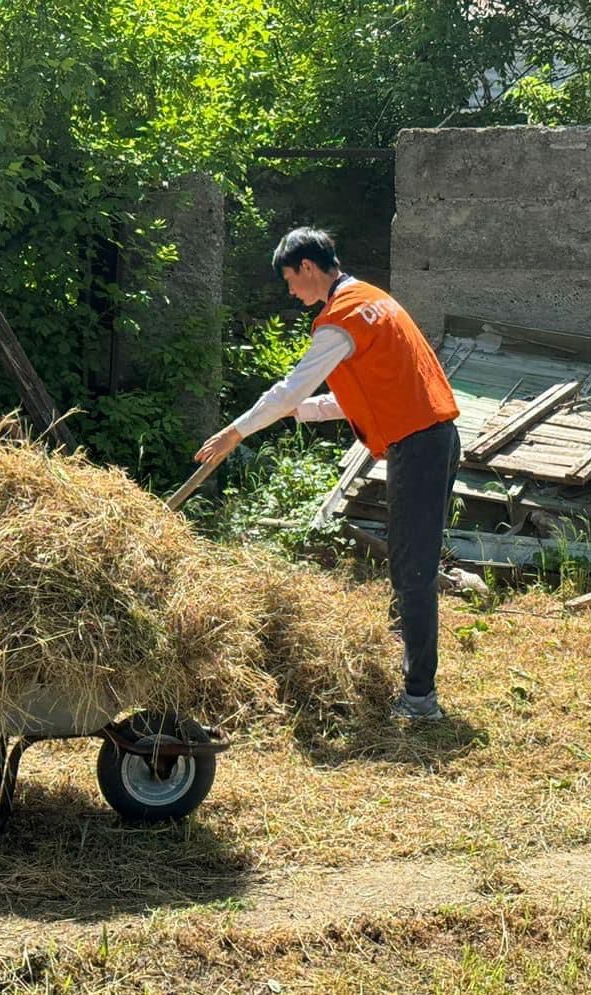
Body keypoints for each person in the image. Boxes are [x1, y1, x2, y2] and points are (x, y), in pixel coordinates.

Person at [196, 227, 460, 721]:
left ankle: (420, 698)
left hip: (419, 443)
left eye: (291, 281)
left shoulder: (337, 320)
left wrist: (237, 431)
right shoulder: (371, 299)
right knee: (410, 561)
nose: (291, 292)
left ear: (309, 269)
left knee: (413, 570)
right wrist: (298, 412)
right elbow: (365, 393)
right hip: (434, 436)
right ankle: (402, 666)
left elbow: (291, 386)